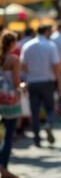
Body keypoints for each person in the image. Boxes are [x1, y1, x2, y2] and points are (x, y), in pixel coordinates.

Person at [20, 25, 61, 147]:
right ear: (47, 31)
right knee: (50, 108)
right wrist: (58, 82)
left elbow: (22, 64)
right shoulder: (50, 45)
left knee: (34, 110)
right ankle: (48, 123)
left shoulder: (27, 45)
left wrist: (31, 73)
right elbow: (56, 65)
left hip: (32, 81)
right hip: (47, 81)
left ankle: (37, 138)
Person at [0, 31, 21, 178]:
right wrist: (22, 87)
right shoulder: (14, 59)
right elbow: (16, 82)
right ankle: (4, 168)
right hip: (10, 99)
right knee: (8, 135)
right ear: (12, 43)